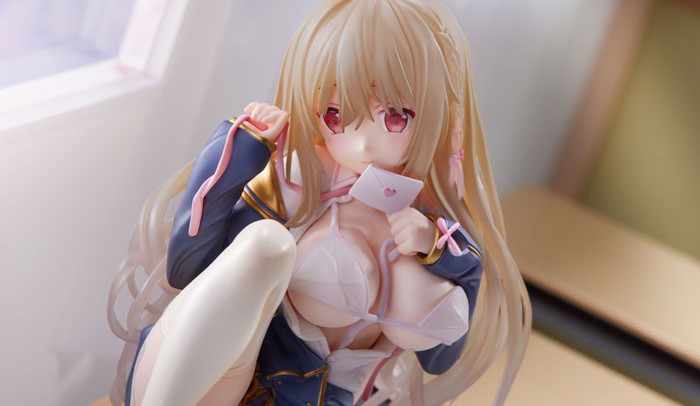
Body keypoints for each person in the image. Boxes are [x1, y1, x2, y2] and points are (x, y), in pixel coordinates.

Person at [108, 0, 531, 404]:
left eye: (395, 116)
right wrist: (239, 152)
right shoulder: (300, 182)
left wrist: (440, 252)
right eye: (336, 115)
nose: (363, 142)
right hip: (211, 378)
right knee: (267, 247)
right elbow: (188, 269)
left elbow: (440, 358)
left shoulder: (433, 219)